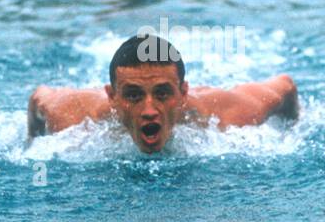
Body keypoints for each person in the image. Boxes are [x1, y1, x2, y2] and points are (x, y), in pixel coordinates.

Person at [27, 35, 299, 153]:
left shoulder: (226, 116)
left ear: (183, 93)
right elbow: (39, 95)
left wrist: (291, 130)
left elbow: (285, 85)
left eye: (162, 93)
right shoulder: (73, 119)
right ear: (111, 96)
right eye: (133, 95)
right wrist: (31, 142)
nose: (149, 110)